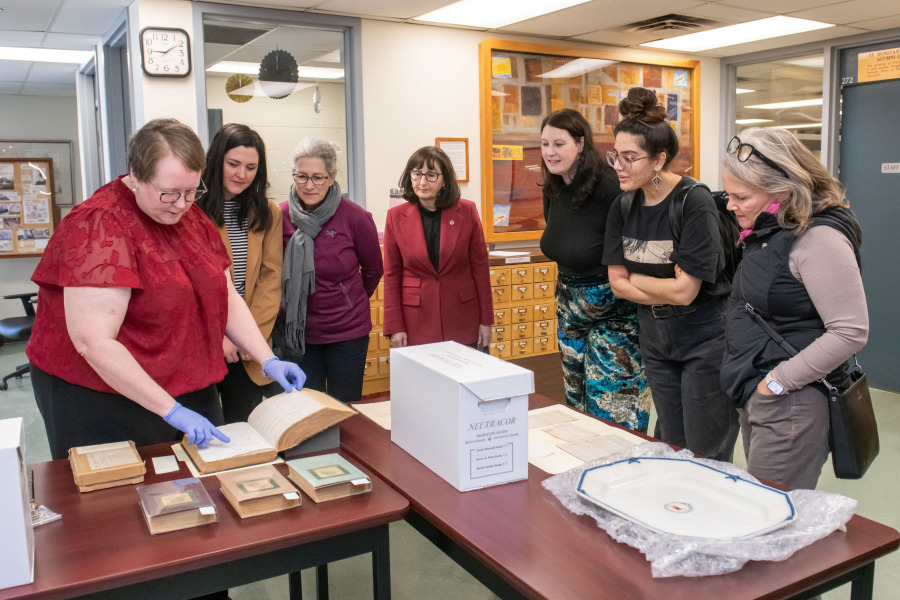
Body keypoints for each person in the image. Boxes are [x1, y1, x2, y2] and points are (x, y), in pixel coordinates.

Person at [26, 118, 306, 462]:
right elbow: (93, 342)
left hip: (180, 376)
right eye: (169, 193)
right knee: (124, 496)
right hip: (99, 390)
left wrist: (268, 358)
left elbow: (224, 293)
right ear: (135, 176)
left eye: (191, 192)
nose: (182, 203)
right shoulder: (98, 224)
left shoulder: (190, 217)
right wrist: (171, 411)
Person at [720, 127, 868, 490]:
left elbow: (850, 332)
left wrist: (776, 383)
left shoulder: (818, 239)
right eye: (728, 194)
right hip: (760, 394)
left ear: (781, 193)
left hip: (791, 403)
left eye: (741, 196)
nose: (729, 205)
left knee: (772, 518)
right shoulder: (771, 230)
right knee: (763, 508)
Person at [603, 88, 738, 461]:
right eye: (615, 155)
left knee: (706, 447)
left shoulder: (693, 202)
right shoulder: (623, 205)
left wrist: (639, 281)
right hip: (656, 337)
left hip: (706, 337)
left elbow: (686, 293)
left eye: (630, 158)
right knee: (670, 444)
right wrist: (661, 284)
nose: (619, 165)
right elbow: (617, 284)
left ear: (660, 159)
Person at [538, 109, 650, 432]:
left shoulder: (611, 187)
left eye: (559, 143)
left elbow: (638, 250)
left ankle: (621, 474)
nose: (550, 152)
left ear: (581, 144)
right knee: (577, 408)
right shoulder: (554, 188)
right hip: (569, 310)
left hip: (614, 313)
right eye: (545, 144)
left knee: (613, 410)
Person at [277, 137, 383, 404]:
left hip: (346, 333)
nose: (309, 185)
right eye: (301, 176)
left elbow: (373, 270)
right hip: (297, 335)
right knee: (304, 409)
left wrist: (346, 298)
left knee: (344, 409)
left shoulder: (355, 217)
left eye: (318, 177)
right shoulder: (279, 217)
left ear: (333, 176)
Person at [199, 123, 283, 423]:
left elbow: (270, 280)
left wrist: (250, 337)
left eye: (251, 167)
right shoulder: (192, 209)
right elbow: (193, 286)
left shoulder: (268, 212)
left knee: (246, 428)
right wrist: (221, 334)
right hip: (206, 342)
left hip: (249, 346)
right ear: (215, 161)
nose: (242, 174)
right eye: (233, 164)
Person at [383, 146, 492, 349]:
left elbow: (480, 268)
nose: (422, 182)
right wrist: (394, 326)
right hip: (416, 320)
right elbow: (391, 275)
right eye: (417, 174)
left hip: (463, 316)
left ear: (444, 180)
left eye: (431, 175)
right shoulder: (395, 216)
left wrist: (486, 321)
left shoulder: (467, 211)